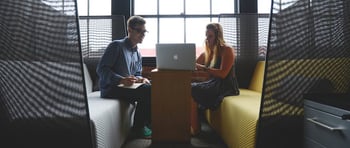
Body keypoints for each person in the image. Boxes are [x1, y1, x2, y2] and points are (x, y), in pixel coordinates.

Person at [96, 16, 152, 138]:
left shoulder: (138, 53)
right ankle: (138, 128)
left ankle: (149, 123)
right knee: (149, 91)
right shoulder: (116, 46)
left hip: (128, 86)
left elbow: (137, 73)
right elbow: (101, 69)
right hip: (112, 88)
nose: (143, 34)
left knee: (152, 85)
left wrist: (141, 79)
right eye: (139, 31)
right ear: (129, 30)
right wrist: (120, 80)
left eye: (144, 32)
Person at [191, 23, 240, 134]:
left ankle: (195, 127)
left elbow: (223, 74)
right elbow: (194, 64)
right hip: (214, 83)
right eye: (206, 36)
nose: (207, 39)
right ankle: (194, 125)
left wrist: (203, 68)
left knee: (192, 89)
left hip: (226, 86)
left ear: (218, 36)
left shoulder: (227, 49)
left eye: (210, 36)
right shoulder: (209, 51)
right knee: (189, 87)